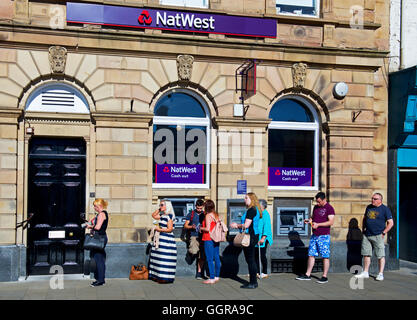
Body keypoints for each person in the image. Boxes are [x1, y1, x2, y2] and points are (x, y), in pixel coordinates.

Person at [296, 192, 335, 284]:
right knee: (311, 254)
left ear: (324, 199)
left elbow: (331, 222)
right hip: (315, 235)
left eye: (319, 202)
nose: (317, 204)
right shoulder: (316, 207)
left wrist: (318, 225)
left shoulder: (329, 208)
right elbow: (313, 218)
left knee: (325, 256)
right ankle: (307, 274)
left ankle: (324, 276)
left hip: (324, 236)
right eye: (317, 202)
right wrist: (309, 221)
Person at [355, 193, 394, 281]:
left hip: (378, 235)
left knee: (380, 255)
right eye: (372, 198)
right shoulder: (369, 207)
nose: (373, 200)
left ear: (380, 200)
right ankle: (365, 272)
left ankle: (380, 274)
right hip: (367, 234)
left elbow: (391, 223)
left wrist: (384, 232)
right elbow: (365, 218)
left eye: (375, 199)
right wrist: (363, 229)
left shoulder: (385, 209)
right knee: (366, 254)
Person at [230, 192, 262, 289]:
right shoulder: (255, 209)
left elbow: (246, 225)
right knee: (251, 259)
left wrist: (236, 225)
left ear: (251, 199)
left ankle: (253, 283)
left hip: (249, 237)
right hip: (254, 236)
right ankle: (253, 281)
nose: (244, 200)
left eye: (246, 198)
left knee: (250, 260)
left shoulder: (251, 210)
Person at [148, 200, 177, 283]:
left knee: (164, 258)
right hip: (160, 239)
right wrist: (159, 209)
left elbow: (170, 229)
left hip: (166, 239)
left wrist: (159, 229)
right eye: (160, 205)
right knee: (157, 257)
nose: (160, 206)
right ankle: (156, 275)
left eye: (162, 205)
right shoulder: (162, 215)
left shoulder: (169, 217)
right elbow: (153, 215)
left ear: (167, 206)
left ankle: (164, 277)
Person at [86, 198, 109, 287]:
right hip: (101, 238)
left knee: (98, 259)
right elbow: (95, 223)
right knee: (100, 258)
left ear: (100, 206)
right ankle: (101, 279)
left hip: (99, 238)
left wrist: (90, 227)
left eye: (95, 206)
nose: (94, 208)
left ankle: (100, 280)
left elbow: (98, 227)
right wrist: (91, 223)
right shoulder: (102, 214)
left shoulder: (101, 214)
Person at [199, 199, 221, 284]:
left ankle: (211, 278)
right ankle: (217, 276)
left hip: (208, 238)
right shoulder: (215, 215)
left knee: (209, 258)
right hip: (216, 238)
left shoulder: (208, 216)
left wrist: (200, 228)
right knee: (216, 257)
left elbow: (207, 229)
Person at [183, 199, 206, 279]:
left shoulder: (205, 214)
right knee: (194, 251)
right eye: (198, 208)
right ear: (195, 206)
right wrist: (191, 227)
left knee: (202, 256)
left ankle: (199, 272)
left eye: (201, 208)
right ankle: (191, 253)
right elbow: (185, 225)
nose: (199, 210)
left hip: (203, 237)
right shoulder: (191, 214)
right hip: (194, 236)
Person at [255, 199, 273, 279]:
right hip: (257, 237)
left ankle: (264, 272)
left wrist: (263, 238)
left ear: (262, 206)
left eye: (258, 205)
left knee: (262, 255)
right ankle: (257, 272)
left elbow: (267, 227)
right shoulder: (258, 214)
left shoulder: (265, 214)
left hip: (263, 238)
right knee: (256, 255)